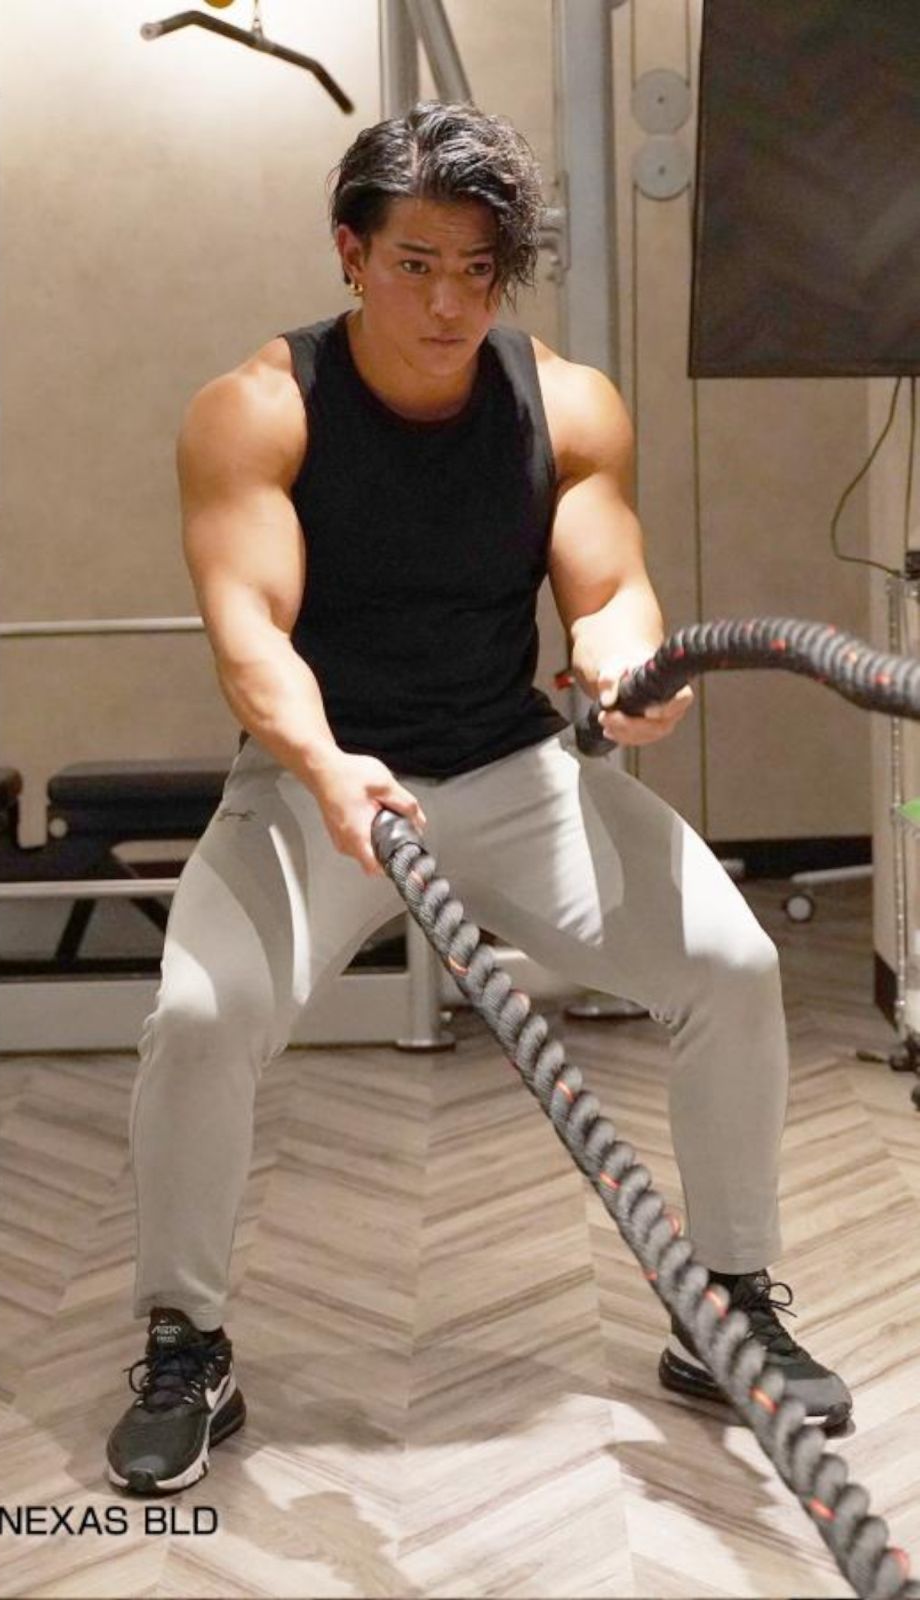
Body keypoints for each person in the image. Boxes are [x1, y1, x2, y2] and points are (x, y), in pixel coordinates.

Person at [105, 102, 852, 1497]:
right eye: (416, 266)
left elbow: (610, 586)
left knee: (735, 967)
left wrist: (628, 668)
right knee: (203, 1018)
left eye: (477, 270)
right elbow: (250, 635)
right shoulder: (258, 411)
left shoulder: (565, 403)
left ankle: (730, 1308)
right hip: (322, 778)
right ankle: (185, 1342)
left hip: (514, 772)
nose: (449, 304)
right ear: (350, 254)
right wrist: (325, 766)